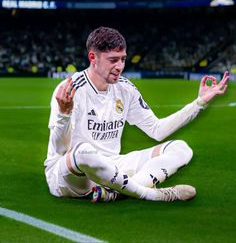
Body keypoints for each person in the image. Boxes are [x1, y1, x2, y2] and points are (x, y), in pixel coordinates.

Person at [44, 26, 229, 202]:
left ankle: (116, 193)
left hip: (112, 168)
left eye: (123, 59)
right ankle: (152, 194)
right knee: (83, 152)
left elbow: (157, 130)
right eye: (113, 60)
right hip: (70, 176)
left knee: (181, 148)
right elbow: (60, 150)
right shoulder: (70, 89)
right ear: (93, 57)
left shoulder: (125, 89)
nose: (120, 66)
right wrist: (64, 115)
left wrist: (199, 103)